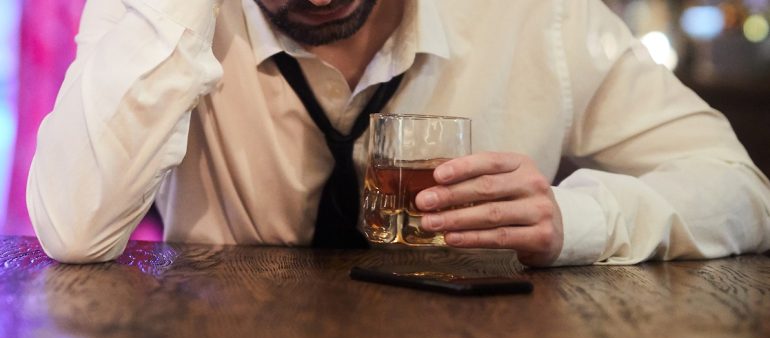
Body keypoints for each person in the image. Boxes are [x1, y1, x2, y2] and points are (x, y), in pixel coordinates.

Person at [27, 0, 770, 266]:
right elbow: (71, 230)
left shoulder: (539, 17)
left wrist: (575, 220)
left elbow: (740, 189)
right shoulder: (164, 14)